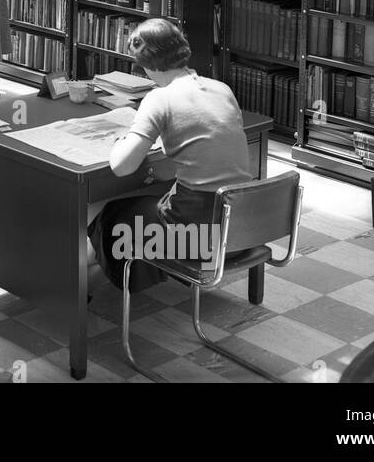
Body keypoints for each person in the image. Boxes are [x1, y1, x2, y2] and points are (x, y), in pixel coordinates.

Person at [88, 18, 253, 289]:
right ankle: (145, 275)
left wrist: (121, 141)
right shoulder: (221, 89)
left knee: (114, 213)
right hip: (240, 229)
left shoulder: (159, 98)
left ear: (148, 65)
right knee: (150, 204)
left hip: (198, 238)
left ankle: (116, 285)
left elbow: (122, 167)